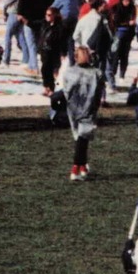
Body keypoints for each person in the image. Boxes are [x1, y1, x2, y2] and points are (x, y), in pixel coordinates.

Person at [58, 45, 106, 181]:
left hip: (73, 108)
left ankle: (83, 165)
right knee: (82, 138)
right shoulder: (97, 73)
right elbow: (99, 93)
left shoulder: (69, 72)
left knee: (80, 137)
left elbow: (65, 91)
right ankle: (76, 166)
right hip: (89, 107)